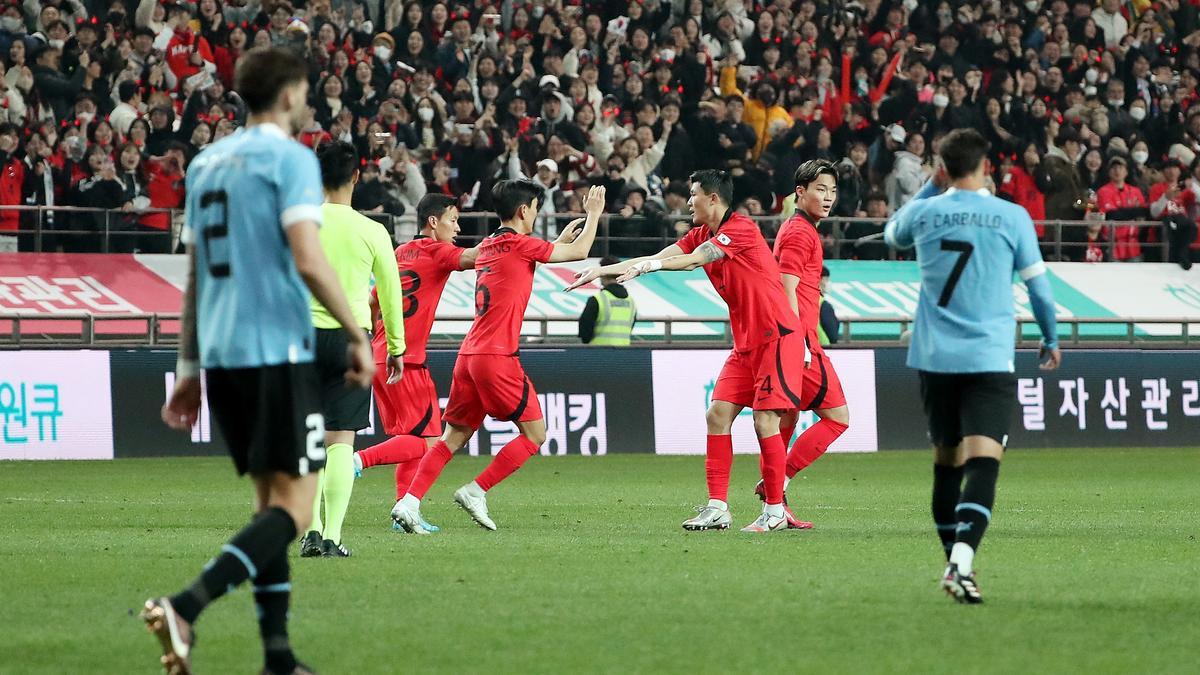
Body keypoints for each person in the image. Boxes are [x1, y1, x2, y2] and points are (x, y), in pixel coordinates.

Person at [147, 47, 374, 675]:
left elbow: (193, 277)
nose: (307, 102)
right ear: (289, 93)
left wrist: (189, 370)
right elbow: (306, 257)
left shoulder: (206, 163)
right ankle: (186, 603)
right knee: (296, 512)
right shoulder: (290, 160)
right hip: (276, 349)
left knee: (268, 505)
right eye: (304, 91)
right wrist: (357, 333)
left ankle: (278, 655)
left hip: (222, 357)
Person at [568, 170, 806, 534]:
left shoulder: (741, 229)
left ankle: (774, 510)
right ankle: (717, 508)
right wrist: (600, 270)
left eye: (693, 194)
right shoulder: (700, 232)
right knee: (717, 415)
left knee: (764, 422)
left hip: (777, 336)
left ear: (713, 198)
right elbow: (659, 255)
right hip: (747, 343)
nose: (687, 200)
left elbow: (696, 259)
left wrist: (654, 266)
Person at [884, 128, 1062, 605]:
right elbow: (1040, 290)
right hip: (987, 356)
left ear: (941, 168)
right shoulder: (1011, 216)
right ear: (986, 166)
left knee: (946, 465)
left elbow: (891, 233)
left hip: (934, 358)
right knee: (983, 462)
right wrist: (1050, 336)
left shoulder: (924, 211)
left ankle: (956, 565)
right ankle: (961, 562)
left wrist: (931, 186)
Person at [390, 181, 607, 533]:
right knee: (535, 434)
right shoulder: (522, 245)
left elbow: (526, 257)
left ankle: (409, 502)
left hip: (469, 354)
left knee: (452, 438)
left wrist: (557, 244)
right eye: (535, 208)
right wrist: (593, 213)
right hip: (497, 355)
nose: (535, 214)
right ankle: (476, 491)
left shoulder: (490, 244)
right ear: (524, 211)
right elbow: (582, 251)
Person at [297, 141, 407, 559]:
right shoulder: (373, 230)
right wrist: (396, 346)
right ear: (357, 177)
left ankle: (310, 530)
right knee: (341, 439)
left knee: (306, 438)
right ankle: (333, 536)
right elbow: (390, 294)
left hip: (302, 335)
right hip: (350, 338)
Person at [352, 194, 480, 534]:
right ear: (433, 222)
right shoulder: (437, 252)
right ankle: (357, 460)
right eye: (453, 220)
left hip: (381, 354)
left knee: (407, 438)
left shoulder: (399, 253)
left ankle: (403, 512)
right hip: (406, 359)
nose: (458, 227)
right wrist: (512, 240)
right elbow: (475, 257)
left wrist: (380, 336)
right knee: (427, 441)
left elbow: (371, 302)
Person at [762, 159, 852, 529]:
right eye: (821, 190)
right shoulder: (800, 232)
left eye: (832, 191)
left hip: (795, 339)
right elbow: (786, 287)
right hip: (799, 342)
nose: (828, 198)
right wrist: (796, 341)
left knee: (788, 416)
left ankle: (776, 502)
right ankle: (777, 482)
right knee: (837, 417)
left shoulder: (801, 229)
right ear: (800, 192)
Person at [578, 255, 637, 345]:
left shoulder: (597, 300)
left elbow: (585, 331)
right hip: (624, 354)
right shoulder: (631, 302)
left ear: (603, 274)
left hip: (599, 353)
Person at [818, 267, 839, 346]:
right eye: (826, 280)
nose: (828, 283)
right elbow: (833, 336)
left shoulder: (802, 300)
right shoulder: (823, 305)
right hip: (824, 349)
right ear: (819, 279)